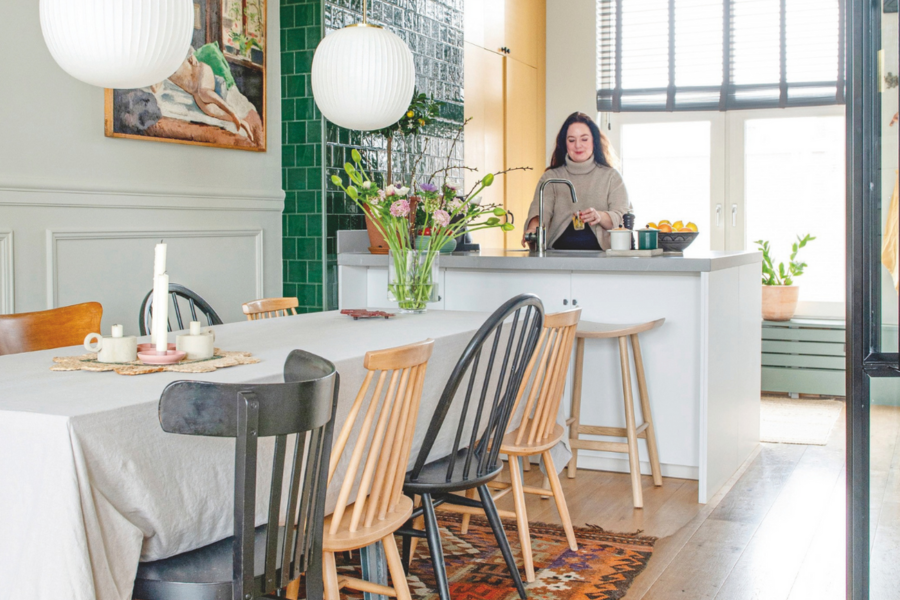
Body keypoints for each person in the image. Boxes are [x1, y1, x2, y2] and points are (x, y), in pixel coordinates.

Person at [522, 112, 629, 251]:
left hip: (602, 258)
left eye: (584, 139)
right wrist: (532, 230)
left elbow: (622, 219)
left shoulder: (612, 177)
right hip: (556, 257)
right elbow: (540, 213)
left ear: (594, 141)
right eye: (571, 140)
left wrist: (599, 216)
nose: (578, 145)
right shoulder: (550, 178)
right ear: (564, 143)